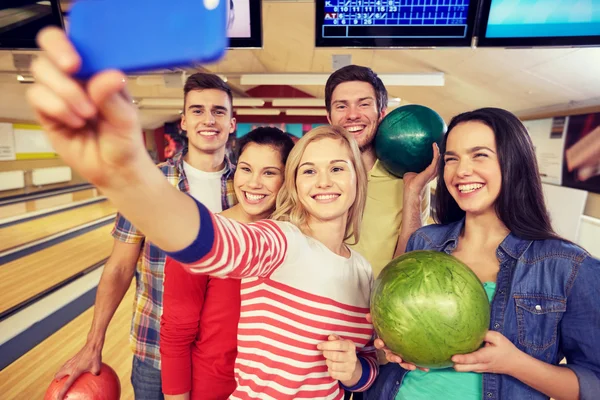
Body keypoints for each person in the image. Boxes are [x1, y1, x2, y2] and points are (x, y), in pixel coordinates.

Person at [27, 28, 379, 399]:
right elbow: (216, 241)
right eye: (309, 170)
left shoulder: (362, 271)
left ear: (359, 178)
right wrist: (132, 175)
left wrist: (356, 370)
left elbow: (367, 366)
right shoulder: (279, 243)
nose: (323, 180)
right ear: (296, 183)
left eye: (338, 168)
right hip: (167, 355)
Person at [366, 108, 600, 400]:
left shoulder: (568, 266)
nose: (461, 171)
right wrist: (394, 348)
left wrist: (515, 364)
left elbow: (594, 384)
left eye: (479, 155)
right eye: (452, 159)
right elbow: (392, 342)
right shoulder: (424, 243)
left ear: (512, 162)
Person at [46, 65, 238, 399]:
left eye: (218, 111)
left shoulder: (249, 186)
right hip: (155, 352)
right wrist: (93, 344)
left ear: (231, 124)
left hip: (225, 353)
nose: (209, 119)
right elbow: (119, 267)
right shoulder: (148, 183)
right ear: (184, 122)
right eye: (198, 110)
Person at [160, 127, 294, 400]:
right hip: (213, 390)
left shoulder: (296, 242)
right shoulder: (202, 236)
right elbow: (175, 336)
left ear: (288, 179)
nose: (254, 183)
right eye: (246, 169)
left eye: (269, 173)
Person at [324, 65, 439, 278]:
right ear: (329, 118)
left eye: (364, 104)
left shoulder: (408, 181)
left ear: (381, 114)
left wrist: (413, 193)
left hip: (378, 306)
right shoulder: (313, 178)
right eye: (341, 106)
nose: (352, 115)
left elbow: (409, 266)